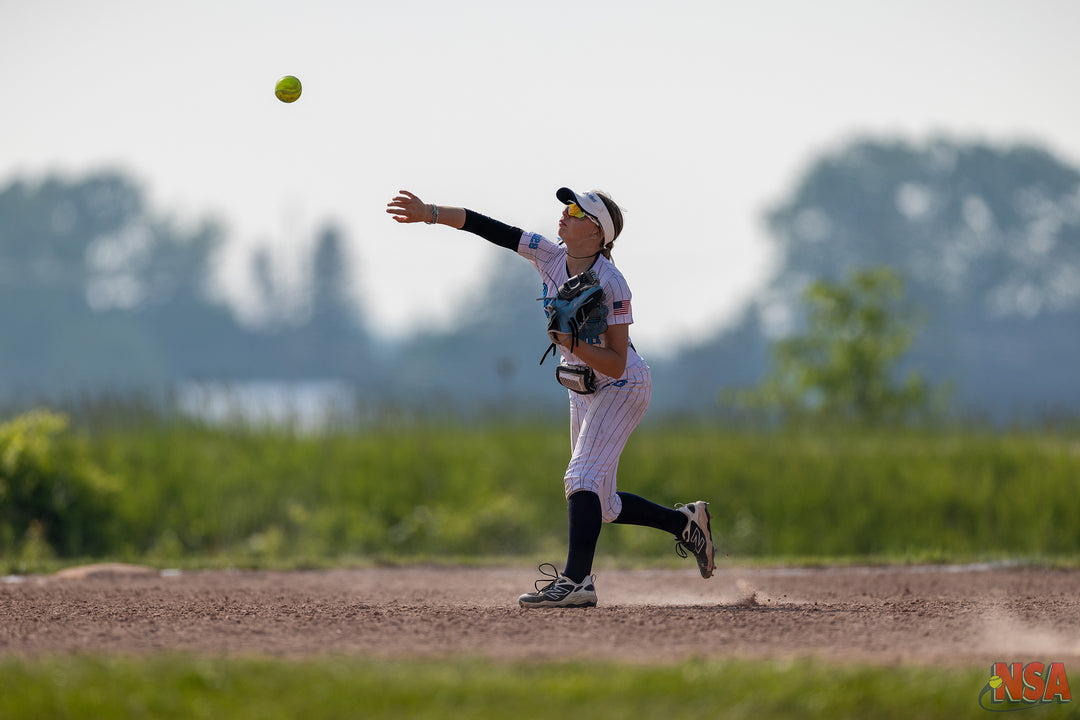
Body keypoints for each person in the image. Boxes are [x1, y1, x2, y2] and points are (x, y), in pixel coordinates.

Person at [386, 187, 715, 608]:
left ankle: (577, 581)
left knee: (579, 480)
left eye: (577, 210)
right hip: (581, 386)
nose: (565, 213)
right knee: (604, 503)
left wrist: (568, 341)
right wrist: (430, 213)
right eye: (567, 206)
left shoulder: (612, 283)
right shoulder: (549, 255)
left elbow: (616, 364)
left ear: (598, 233)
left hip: (621, 386)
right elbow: (490, 228)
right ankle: (685, 524)